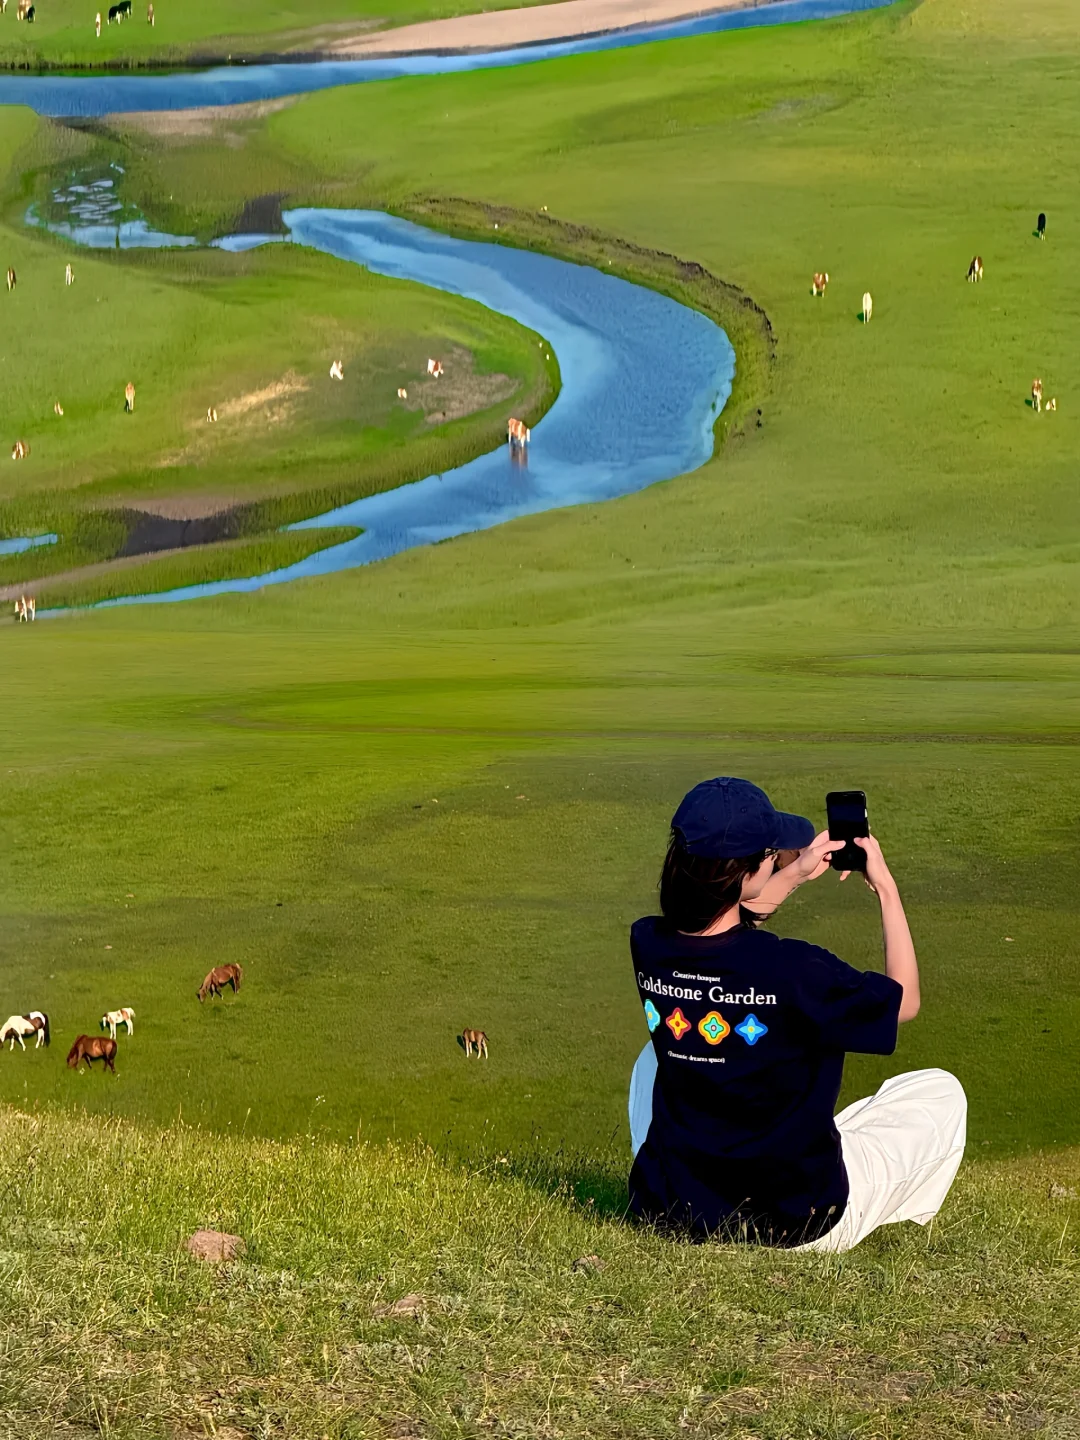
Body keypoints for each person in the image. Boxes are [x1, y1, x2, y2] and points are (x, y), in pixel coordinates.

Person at [627, 776, 966, 1250]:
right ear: (746, 872)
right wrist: (886, 888)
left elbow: (724, 924)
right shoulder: (797, 970)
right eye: (770, 855)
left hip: (678, 1206)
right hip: (795, 1222)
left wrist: (793, 873)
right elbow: (903, 1000)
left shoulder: (647, 941)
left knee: (656, 1053)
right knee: (940, 1092)